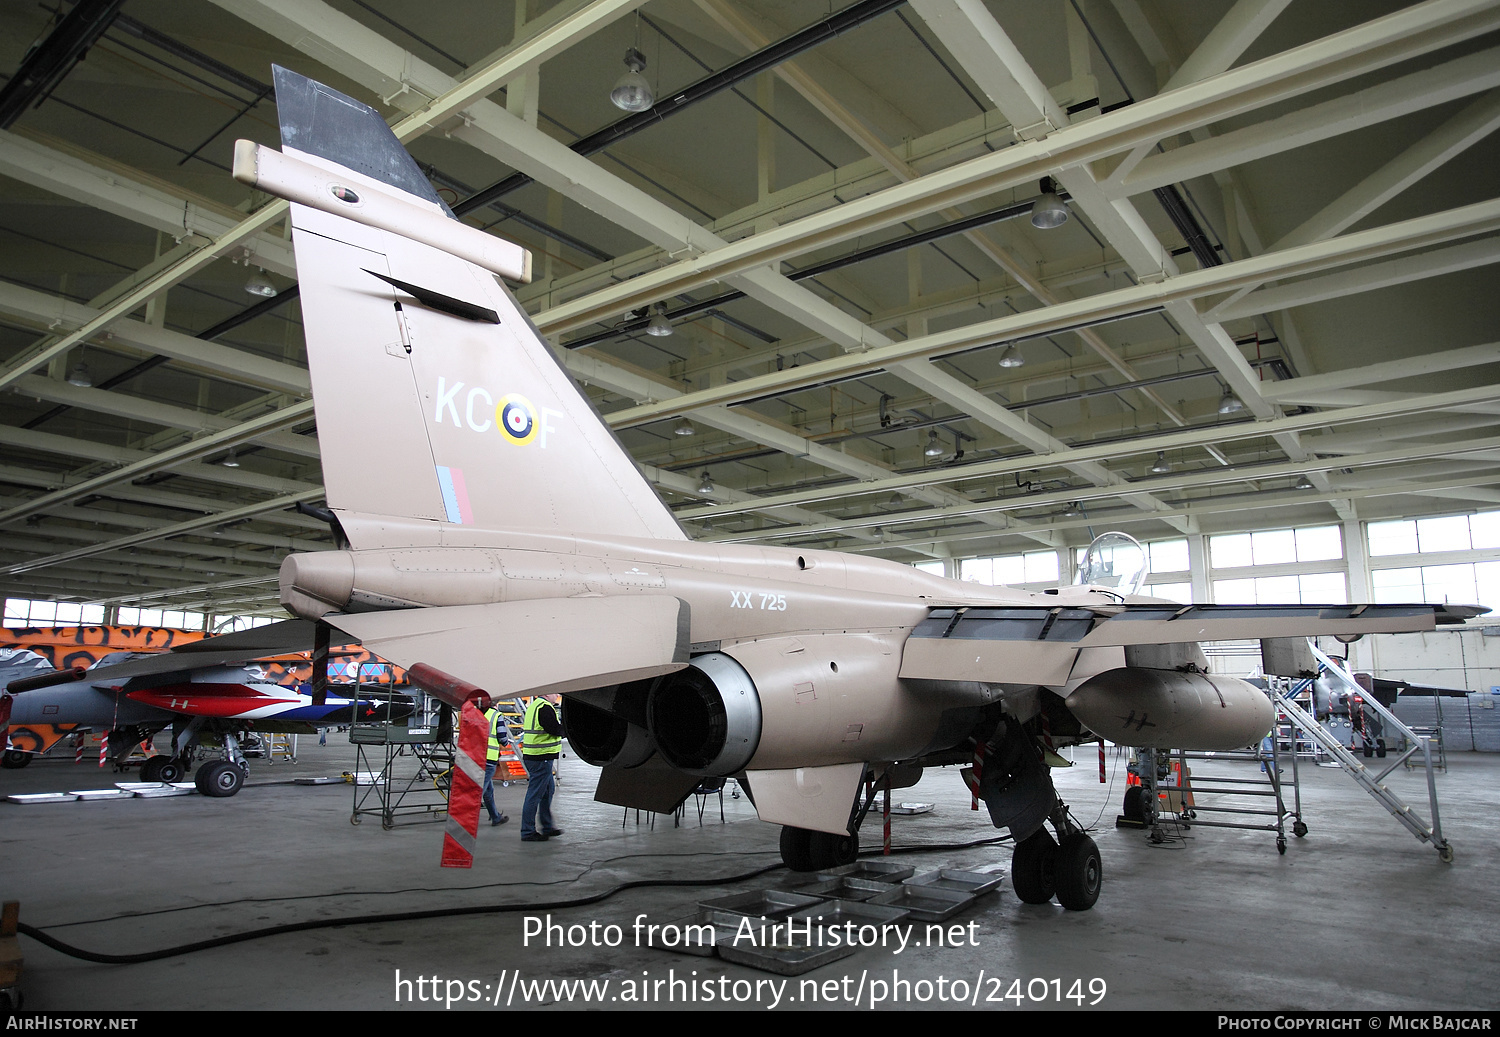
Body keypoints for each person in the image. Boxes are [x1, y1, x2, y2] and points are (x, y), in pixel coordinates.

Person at [519, 694, 563, 842]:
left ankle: (547, 826)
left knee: (548, 790)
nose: (557, 695)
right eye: (554, 693)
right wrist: (569, 730)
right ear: (546, 693)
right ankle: (527, 831)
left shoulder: (535, 706)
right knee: (535, 794)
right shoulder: (544, 708)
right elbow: (554, 729)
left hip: (538, 757)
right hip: (540, 757)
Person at [482, 703, 511, 826]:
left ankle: (495, 817)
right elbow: (502, 737)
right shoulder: (496, 715)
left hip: (477, 756)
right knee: (480, 791)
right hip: (489, 757)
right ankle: (463, 819)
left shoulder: (479, 713)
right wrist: (506, 742)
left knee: (488, 789)